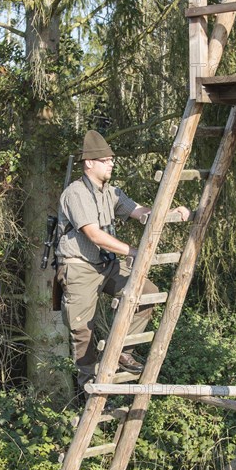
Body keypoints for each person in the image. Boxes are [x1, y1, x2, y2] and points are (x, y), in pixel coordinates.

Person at [55, 130, 190, 389]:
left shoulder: (113, 193)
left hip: (107, 264)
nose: (111, 163)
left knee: (145, 293)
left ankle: (120, 352)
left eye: (111, 159)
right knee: (83, 332)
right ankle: (89, 391)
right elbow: (94, 235)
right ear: (89, 163)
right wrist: (133, 252)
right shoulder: (76, 193)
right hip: (79, 266)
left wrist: (172, 211)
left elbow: (141, 212)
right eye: (105, 160)